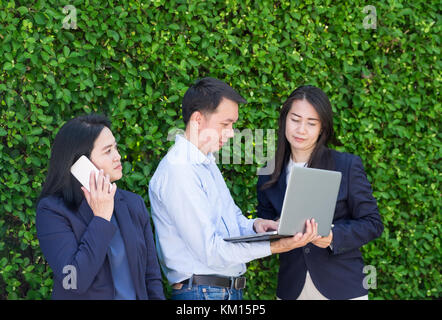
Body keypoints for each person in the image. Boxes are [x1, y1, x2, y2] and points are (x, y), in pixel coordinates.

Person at [149, 77, 319, 300]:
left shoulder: (204, 163)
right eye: (225, 124)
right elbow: (212, 251)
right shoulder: (179, 171)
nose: (231, 133)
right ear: (197, 119)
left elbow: (232, 221)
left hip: (216, 291)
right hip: (204, 293)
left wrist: (257, 226)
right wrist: (277, 246)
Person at [257, 85, 384, 300]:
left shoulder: (346, 165)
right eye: (295, 120)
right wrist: (267, 226)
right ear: (284, 120)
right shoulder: (268, 172)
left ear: (322, 127)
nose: (301, 130)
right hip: (291, 288)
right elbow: (268, 229)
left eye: (311, 123)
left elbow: (373, 223)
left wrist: (333, 236)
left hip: (342, 286)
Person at [36, 114, 165, 300]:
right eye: (108, 151)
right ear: (81, 163)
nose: (118, 156)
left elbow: (151, 276)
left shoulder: (132, 204)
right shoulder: (52, 212)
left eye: (116, 148)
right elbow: (74, 282)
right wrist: (101, 218)